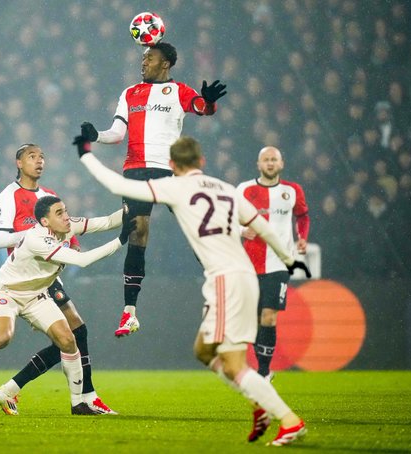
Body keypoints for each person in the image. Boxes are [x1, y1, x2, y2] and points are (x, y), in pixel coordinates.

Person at [73, 135, 310, 446]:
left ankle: (289, 420)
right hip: (237, 276)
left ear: (171, 166)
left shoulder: (175, 186)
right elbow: (263, 227)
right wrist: (291, 259)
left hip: (227, 279)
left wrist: (86, 154)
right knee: (203, 351)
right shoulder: (226, 188)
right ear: (202, 162)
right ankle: (261, 403)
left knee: (235, 364)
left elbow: (118, 186)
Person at [0, 195, 136, 415]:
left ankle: (78, 403)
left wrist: (135, 208)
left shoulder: (68, 226)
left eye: (65, 210)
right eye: (59, 213)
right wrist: (121, 240)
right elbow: (82, 260)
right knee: (4, 336)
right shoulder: (37, 239)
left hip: (36, 295)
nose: (66, 217)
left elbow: (107, 221)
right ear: (44, 221)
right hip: (5, 291)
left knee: (69, 340)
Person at [79, 42, 227, 337]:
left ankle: (223, 281)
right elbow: (117, 133)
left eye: (149, 58)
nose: (143, 62)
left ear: (165, 64)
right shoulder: (129, 93)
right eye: (142, 57)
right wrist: (96, 135)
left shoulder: (180, 91)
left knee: (195, 226)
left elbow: (201, 108)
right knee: (138, 232)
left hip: (171, 170)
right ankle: (129, 313)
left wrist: (209, 103)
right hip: (135, 170)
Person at [0, 143, 116, 415]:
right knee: (74, 333)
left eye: (42, 157)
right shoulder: (8, 196)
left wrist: (71, 242)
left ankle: (14, 388)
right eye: (32, 157)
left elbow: (67, 226)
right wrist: (35, 237)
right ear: (19, 163)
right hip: (28, 274)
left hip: (50, 270)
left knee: (74, 334)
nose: (39, 161)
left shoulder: (49, 195)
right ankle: (84, 397)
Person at [236, 146, 310, 380]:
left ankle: (264, 372)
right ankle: (263, 366)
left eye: (274, 160)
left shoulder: (292, 190)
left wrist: (302, 238)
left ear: (281, 164)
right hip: (250, 264)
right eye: (266, 160)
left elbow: (303, 215)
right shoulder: (245, 189)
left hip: (279, 263)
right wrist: (240, 230)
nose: (270, 163)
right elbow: (228, 217)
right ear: (258, 164)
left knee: (269, 316)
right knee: (256, 320)